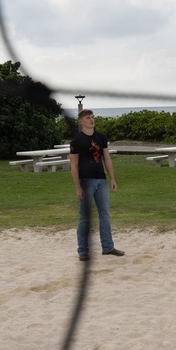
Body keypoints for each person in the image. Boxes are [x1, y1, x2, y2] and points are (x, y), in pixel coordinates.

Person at [70, 109, 124, 261]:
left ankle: (108, 247)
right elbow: (73, 165)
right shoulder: (76, 141)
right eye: (88, 118)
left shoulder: (101, 137)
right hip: (85, 181)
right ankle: (83, 251)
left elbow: (106, 159)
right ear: (81, 121)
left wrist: (112, 178)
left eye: (92, 117)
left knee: (105, 215)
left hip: (101, 180)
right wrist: (77, 187)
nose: (91, 120)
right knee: (85, 217)